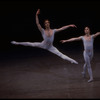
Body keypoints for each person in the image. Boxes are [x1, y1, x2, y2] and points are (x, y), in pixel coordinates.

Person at [11, 9, 78, 64]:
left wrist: (69, 25)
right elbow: (37, 23)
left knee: (60, 54)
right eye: (46, 23)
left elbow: (62, 28)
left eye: (48, 23)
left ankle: (72, 60)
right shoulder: (42, 31)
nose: (47, 24)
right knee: (30, 44)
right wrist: (36, 15)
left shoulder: (53, 30)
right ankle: (17, 43)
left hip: (50, 47)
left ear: (49, 23)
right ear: (44, 24)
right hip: (43, 44)